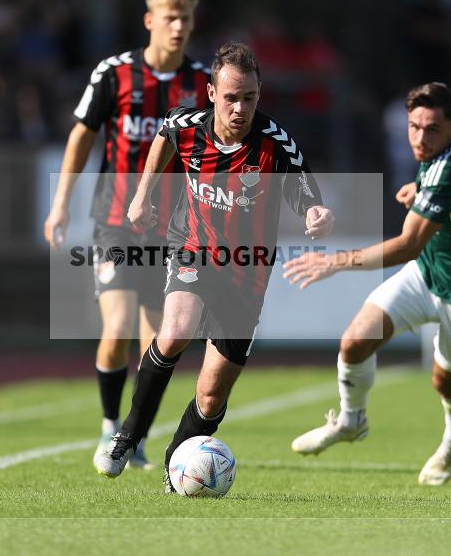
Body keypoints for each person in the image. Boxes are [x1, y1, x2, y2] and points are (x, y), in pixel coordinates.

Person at [94, 41, 334, 489]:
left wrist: (315, 214)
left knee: (210, 395)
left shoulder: (275, 142)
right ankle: (127, 433)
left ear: (259, 95)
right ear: (210, 93)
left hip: (247, 272)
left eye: (249, 97)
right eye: (231, 97)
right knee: (176, 330)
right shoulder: (186, 125)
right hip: (193, 246)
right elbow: (163, 136)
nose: (240, 108)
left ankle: (175, 466)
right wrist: (143, 194)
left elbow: (306, 193)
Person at [284, 82, 451, 485]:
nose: (420, 138)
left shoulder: (450, 170)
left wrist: (336, 262)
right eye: (414, 127)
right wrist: (425, 188)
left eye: (432, 130)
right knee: (355, 341)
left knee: (446, 381)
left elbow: (406, 245)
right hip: (427, 273)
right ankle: (351, 422)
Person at [43, 0, 212, 470]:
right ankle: (109, 428)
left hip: (172, 230)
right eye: (169, 18)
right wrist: (60, 205)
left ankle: (134, 438)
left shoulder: (203, 83)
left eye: (186, 19)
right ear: (150, 20)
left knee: (158, 340)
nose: (178, 27)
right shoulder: (114, 73)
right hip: (115, 222)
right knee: (115, 328)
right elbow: (82, 136)